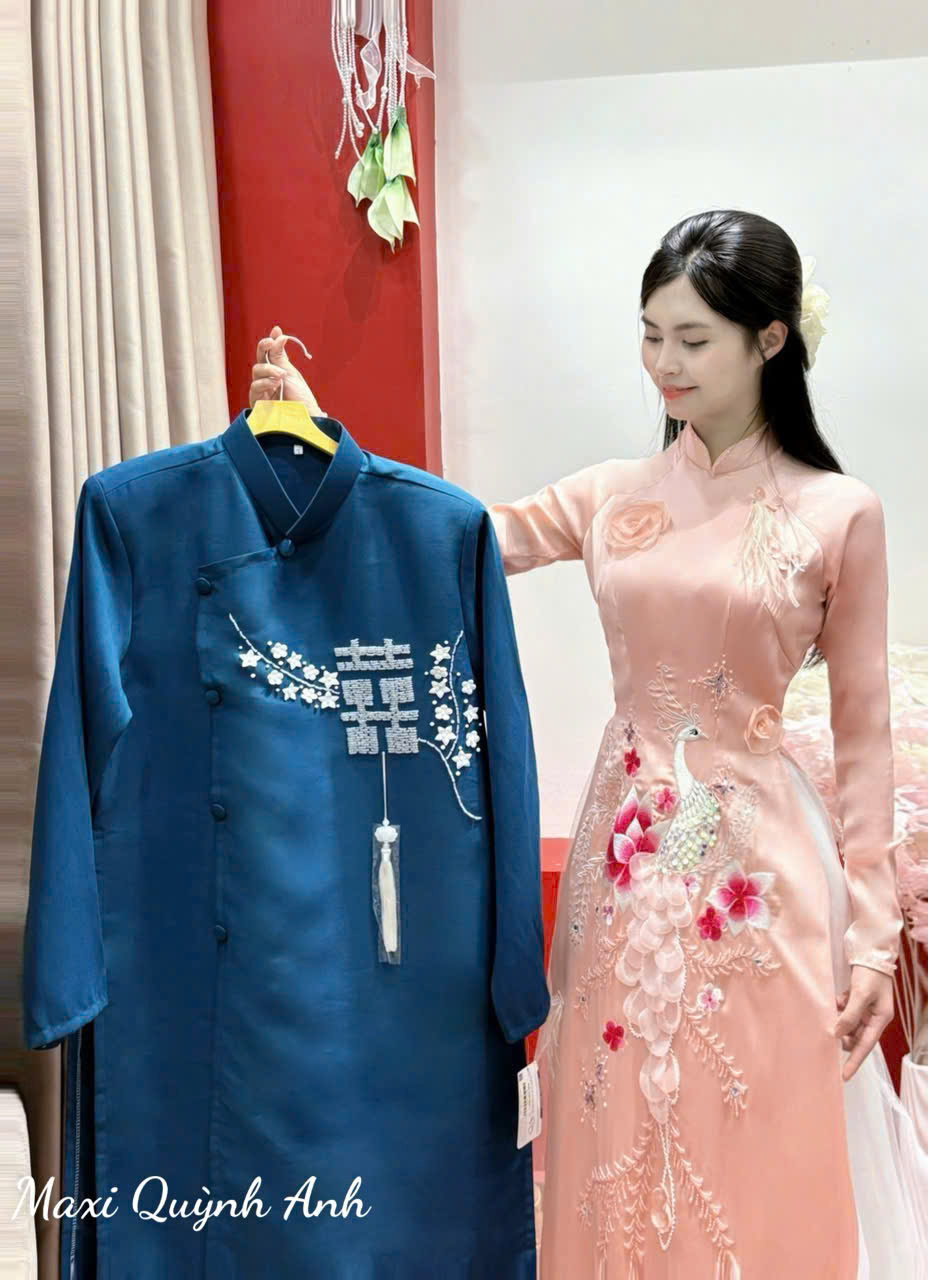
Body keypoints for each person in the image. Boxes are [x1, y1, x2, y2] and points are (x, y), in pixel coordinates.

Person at [248, 210, 922, 1278]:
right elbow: (452, 531)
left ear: (771, 339)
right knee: (616, 1116)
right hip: (626, 860)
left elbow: (864, 737)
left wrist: (876, 941)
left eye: (691, 338)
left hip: (761, 877)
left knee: (758, 1126)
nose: (663, 362)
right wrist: (317, 442)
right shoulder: (615, 497)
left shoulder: (839, 513)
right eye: (650, 334)